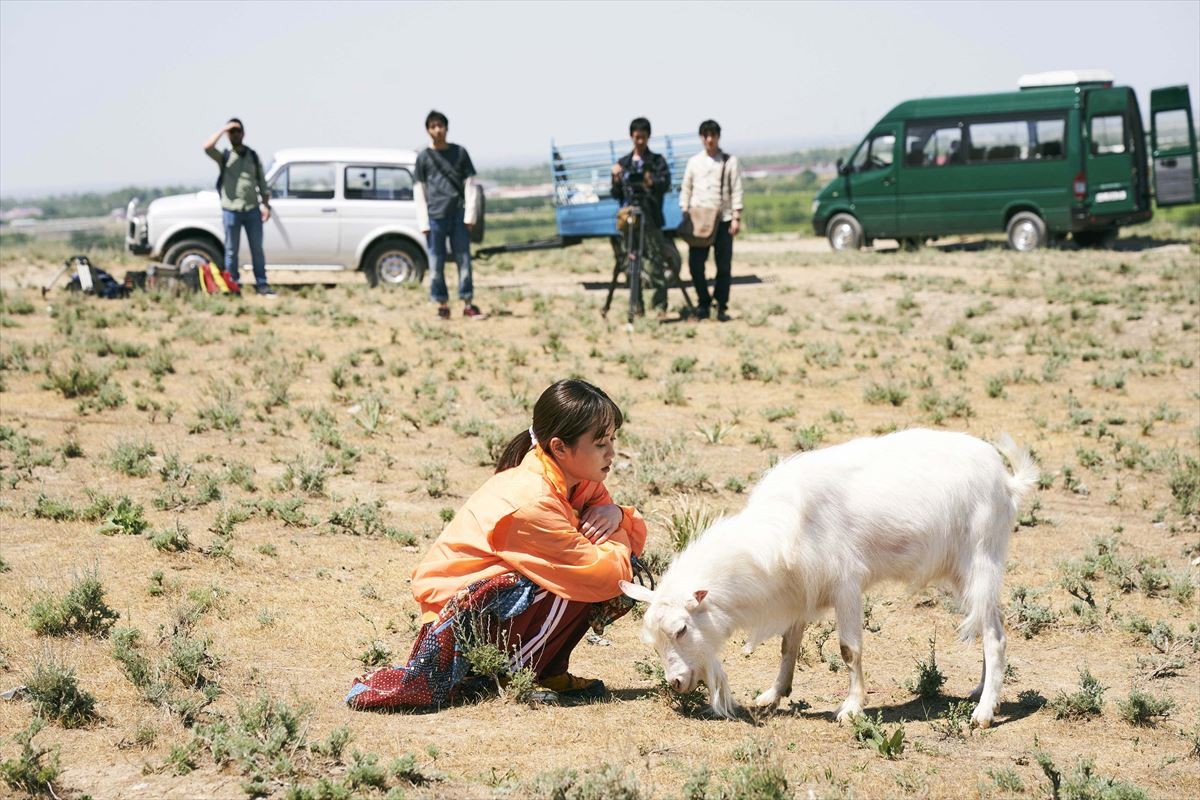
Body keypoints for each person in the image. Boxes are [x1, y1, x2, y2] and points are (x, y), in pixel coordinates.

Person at [346, 379, 649, 711]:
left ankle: (544, 670)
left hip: (488, 609)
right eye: (601, 443)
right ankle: (509, 675)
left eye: (612, 440)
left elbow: (611, 549)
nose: (612, 452)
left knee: (580, 572)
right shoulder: (531, 500)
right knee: (565, 580)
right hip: (458, 617)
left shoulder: (580, 481)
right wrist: (620, 529)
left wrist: (616, 514)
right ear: (560, 447)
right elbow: (603, 573)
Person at [414, 110, 483, 320]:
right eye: (433, 126)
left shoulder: (460, 153)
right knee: (436, 263)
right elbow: (420, 190)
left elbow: (469, 185)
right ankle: (442, 306)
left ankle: (468, 303)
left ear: (447, 127)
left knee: (464, 261)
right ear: (427, 130)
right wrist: (423, 222)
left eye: (440, 125)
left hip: (458, 215)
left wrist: (469, 216)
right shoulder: (424, 157)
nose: (437, 130)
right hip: (435, 217)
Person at [679, 119, 744, 321]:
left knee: (723, 265)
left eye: (713, 135)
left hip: (723, 219)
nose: (709, 139)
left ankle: (721, 304)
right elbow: (686, 188)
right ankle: (703, 302)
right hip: (699, 220)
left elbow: (737, 189)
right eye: (706, 135)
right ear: (701, 137)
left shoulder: (729, 161)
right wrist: (685, 210)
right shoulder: (694, 162)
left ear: (718, 136)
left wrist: (736, 217)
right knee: (696, 265)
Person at [203, 118, 274, 297]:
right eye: (232, 132)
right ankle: (232, 284)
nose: (235, 134)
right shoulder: (225, 156)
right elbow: (207, 147)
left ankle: (262, 284)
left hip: (252, 209)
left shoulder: (253, 155)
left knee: (257, 248)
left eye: (238, 130)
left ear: (243, 133)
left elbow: (262, 183)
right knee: (231, 250)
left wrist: (266, 205)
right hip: (231, 210)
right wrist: (223, 129)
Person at [611, 117, 673, 316]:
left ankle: (659, 307)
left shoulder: (656, 162)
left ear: (648, 137)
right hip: (631, 221)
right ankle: (636, 306)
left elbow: (665, 185)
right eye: (637, 137)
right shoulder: (624, 163)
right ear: (631, 137)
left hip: (651, 218)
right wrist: (615, 178)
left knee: (655, 262)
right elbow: (616, 194)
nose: (640, 141)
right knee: (632, 264)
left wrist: (650, 181)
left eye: (643, 137)